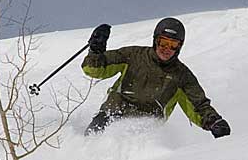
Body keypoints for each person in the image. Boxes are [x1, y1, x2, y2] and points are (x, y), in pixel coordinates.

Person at [81, 17, 231, 138]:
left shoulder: (181, 76)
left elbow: (198, 105)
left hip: (145, 126)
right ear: (155, 40)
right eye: (163, 43)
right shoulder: (132, 56)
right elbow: (94, 70)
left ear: (179, 47)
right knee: (92, 139)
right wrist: (96, 52)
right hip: (111, 114)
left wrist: (214, 121)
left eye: (173, 45)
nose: (167, 49)